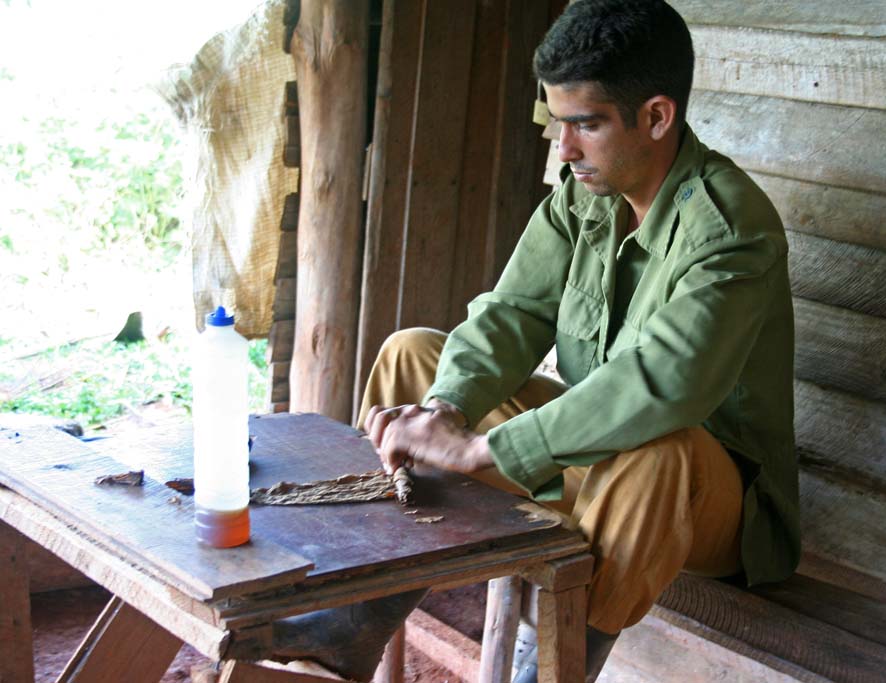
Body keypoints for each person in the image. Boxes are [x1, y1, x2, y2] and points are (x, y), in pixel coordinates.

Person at [272, 1, 800, 681]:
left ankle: (550, 666)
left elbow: (657, 388)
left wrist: (479, 448)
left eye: (586, 125)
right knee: (415, 356)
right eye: (557, 124)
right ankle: (358, 611)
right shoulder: (585, 193)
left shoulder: (730, 230)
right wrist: (448, 413)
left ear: (658, 116)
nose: (564, 149)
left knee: (661, 447)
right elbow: (511, 313)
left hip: (702, 505)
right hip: (592, 462)